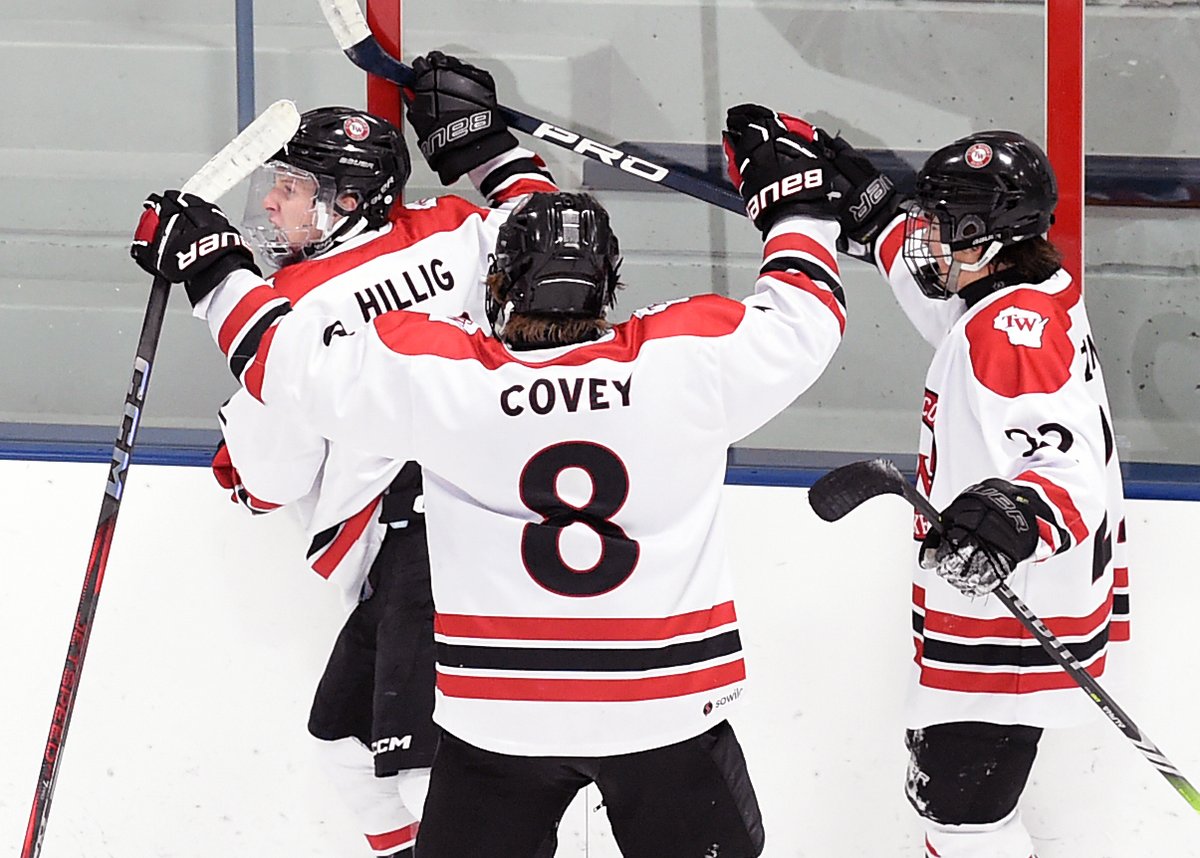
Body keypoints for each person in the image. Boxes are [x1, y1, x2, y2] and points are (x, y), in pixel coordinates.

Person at [130, 103, 848, 857]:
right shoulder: (684, 364)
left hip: (503, 717)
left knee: (382, 763)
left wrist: (212, 265)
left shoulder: (449, 384)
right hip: (665, 705)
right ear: (610, 286)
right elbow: (806, 316)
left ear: (498, 284)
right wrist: (797, 203)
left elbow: (284, 365)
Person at [189, 53, 558, 858]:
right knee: (345, 740)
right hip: (504, 512)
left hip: (432, 539)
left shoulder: (287, 307)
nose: (273, 202)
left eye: (292, 188)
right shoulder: (457, 227)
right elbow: (555, 237)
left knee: (436, 775)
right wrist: (481, 141)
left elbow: (272, 479)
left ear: (348, 203)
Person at [820, 128, 1132, 856]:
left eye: (940, 221)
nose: (927, 235)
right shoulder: (1020, 295)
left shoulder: (1009, 333)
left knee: (962, 824)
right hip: (1017, 610)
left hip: (1009, 625)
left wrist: (1014, 515)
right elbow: (953, 317)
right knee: (963, 816)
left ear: (982, 235)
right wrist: (876, 216)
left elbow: (1068, 473)